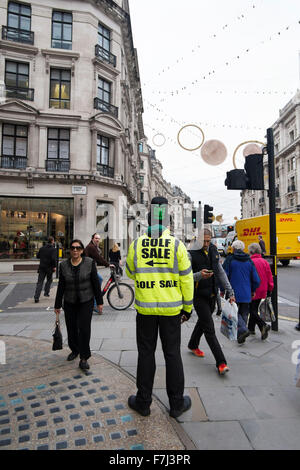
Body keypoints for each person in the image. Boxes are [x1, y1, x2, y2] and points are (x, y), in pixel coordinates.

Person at [126, 196, 194, 419]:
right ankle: (176, 404)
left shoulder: (136, 245)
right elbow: (186, 279)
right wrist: (187, 307)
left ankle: (143, 402)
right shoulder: (177, 245)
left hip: (145, 310)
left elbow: (129, 272)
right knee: (172, 354)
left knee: (146, 354)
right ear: (168, 223)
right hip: (171, 311)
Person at [188, 229, 235, 375]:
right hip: (199, 296)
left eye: (209, 241)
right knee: (209, 328)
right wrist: (199, 276)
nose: (207, 244)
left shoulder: (214, 250)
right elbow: (186, 276)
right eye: (204, 241)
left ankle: (192, 344)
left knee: (203, 322)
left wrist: (230, 292)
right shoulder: (191, 253)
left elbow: (220, 272)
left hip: (212, 295)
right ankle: (221, 362)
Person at [54, 239, 103, 371]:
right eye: (73, 248)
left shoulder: (89, 263)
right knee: (71, 329)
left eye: (78, 248)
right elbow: (61, 286)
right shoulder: (63, 265)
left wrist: (99, 302)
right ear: (70, 250)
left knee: (84, 329)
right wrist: (57, 305)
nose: (75, 250)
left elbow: (95, 283)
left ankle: (84, 357)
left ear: (82, 250)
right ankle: (74, 350)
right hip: (69, 302)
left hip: (86, 301)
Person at [223, 240, 261, 344]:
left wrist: (222, 290)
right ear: (243, 249)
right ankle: (241, 335)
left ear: (234, 249)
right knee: (244, 313)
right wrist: (253, 290)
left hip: (233, 292)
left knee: (234, 313)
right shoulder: (249, 260)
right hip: (246, 292)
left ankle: (243, 330)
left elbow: (224, 275)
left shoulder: (230, 259)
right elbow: (256, 279)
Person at [248, 243, 274, 340]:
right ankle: (251, 329)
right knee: (254, 308)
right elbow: (269, 276)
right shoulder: (264, 262)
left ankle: (263, 325)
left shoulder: (250, 261)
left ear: (251, 251)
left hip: (253, 289)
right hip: (263, 289)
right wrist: (270, 288)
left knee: (252, 309)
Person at [84, 233, 110, 313]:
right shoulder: (91, 247)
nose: (98, 240)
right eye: (96, 238)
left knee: (98, 280)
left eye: (98, 238)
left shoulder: (94, 246)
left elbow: (98, 258)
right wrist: (108, 264)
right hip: (87, 268)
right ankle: (94, 304)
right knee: (99, 281)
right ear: (92, 239)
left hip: (90, 268)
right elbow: (98, 258)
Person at [34, 236, 57, 303]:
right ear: (52, 241)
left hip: (42, 267)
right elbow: (53, 259)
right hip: (49, 268)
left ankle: (36, 297)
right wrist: (54, 266)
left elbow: (38, 256)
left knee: (40, 282)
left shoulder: (42, 248)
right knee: (49, 280)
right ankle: (46, 292)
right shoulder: (53, 249)